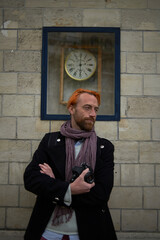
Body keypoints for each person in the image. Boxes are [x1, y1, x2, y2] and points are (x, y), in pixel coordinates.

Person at [24, 88, 117, 240]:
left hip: (89, 231)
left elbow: (101, 194)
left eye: (96, 109)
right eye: (87, 108)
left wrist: (56, 185)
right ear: (71, 108)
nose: (93, 114)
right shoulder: (50, 141)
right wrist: (71, 189)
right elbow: (31, 179)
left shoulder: (104, 147)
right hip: (48, 232)